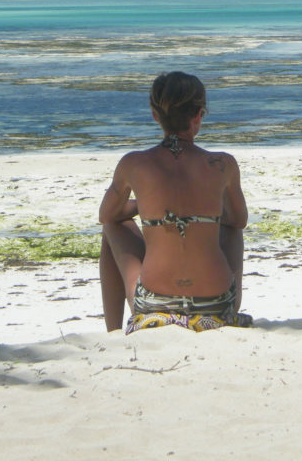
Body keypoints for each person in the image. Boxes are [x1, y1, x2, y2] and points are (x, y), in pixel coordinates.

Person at [98, 71, 250, 332]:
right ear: (199, 115)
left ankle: (113, 331)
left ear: (156, 115)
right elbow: (239, 220)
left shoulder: (133, 163)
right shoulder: (224, 164)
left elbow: (107, 215)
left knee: (113, 228)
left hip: (154, 304)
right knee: (232, 230)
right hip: (217, 305)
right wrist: (203, 209)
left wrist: (147, 205)